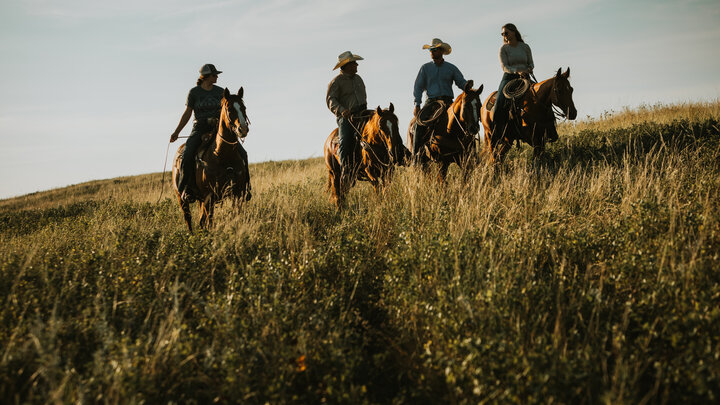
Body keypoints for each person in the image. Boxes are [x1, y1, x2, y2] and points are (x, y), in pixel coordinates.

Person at [170, 63, 225, 202]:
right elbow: (188, 113)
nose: (216, 77)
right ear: (206, 77)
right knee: (187, 153)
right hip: (199, 128)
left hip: (217, 128)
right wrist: (176, 132)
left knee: (241, 153)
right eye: (214, 75)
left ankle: (245, 186)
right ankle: (185, 189)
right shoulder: (194, 93)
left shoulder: (220, 91)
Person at [412, 38, 468, 160]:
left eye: (435, 50)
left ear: (442, 51)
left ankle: (470, 151)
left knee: (464, 121)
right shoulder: (425, 68)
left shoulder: (451, 68)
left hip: (448, 102)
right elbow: (418, 87)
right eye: (431, 50)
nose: (432, 52)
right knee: (418, 125)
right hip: (432, 102)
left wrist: (467, 87)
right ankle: (416, 155)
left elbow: (460, 82)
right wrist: (417, 104)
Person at [326, 51, 368, 185]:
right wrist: (342, 110)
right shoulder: (336, 82)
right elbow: (331, 100)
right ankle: (346, 170)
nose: (356, 65)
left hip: (363, 112)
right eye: (354, 63)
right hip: (347, 117)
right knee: (345, 141)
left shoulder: (358, 79)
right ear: (346, 66)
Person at [491, 23, 535, 143]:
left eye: (506, 33)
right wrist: (517, 71)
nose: (504, 36)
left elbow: (531, 63)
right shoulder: (503, 49)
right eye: (502, 34)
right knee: (499, 103)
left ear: (513, 32)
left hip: (525, 76)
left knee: (541, 97)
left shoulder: (525, 47)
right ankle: (497, 135)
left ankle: (549, 131)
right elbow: (504, 66)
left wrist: (528, 70)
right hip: (509, 77)